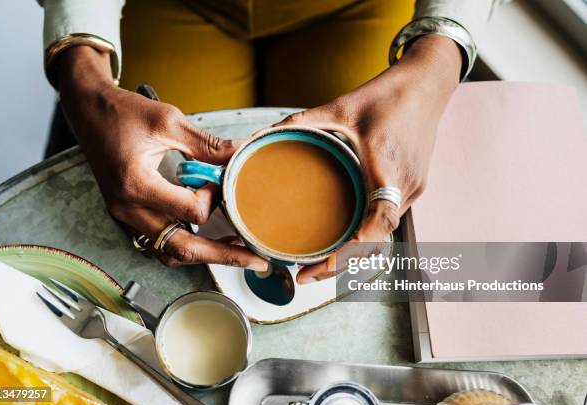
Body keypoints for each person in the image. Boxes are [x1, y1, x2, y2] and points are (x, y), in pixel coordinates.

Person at [38, 0, 494, 283]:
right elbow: (100, 108)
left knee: (375, 173)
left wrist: (438, 59)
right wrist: (86, 85)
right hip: (170, 7)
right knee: (144, 189)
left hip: (352, 8)